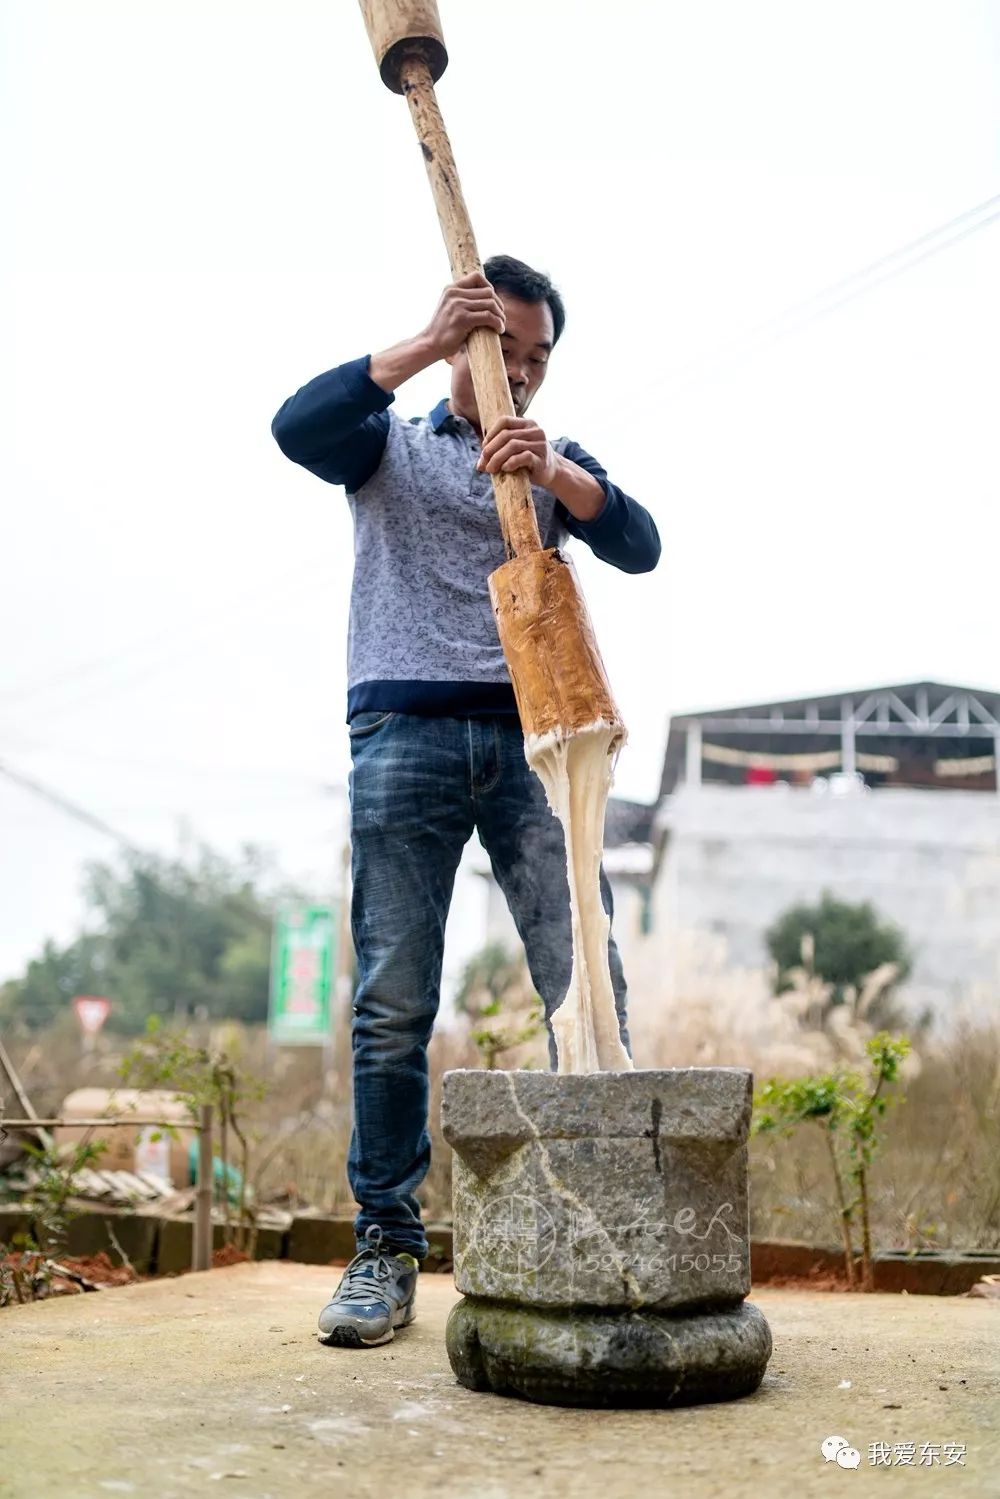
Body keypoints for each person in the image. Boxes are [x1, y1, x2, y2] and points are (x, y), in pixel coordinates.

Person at [271, 255, 660, 1348]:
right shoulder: (385, 445)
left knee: (585, 976)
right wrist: (421, 342)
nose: (523, 375)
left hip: (538, 739)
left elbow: (639, 542)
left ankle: (605, 1227)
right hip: (401, 733)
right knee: (394, 998)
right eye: (507, 350)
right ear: (468, 345)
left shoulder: (546, 465)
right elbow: (297, 428)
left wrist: (567, 482)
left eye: (539, 358)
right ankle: (385, 1251)